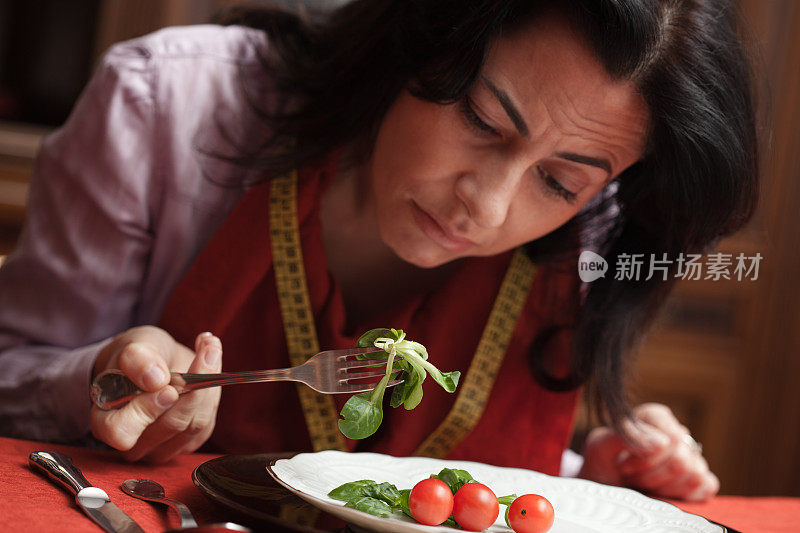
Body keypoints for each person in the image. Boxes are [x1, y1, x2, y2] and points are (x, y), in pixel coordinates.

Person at [0, 0, 757, 503]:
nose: (486, 206)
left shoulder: (584, 233)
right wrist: (101, 373)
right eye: (484, 120)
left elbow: (462, 456)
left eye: (558, 181)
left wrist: (589, 469)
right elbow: (11, 372)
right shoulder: (167, 108)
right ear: (417, 39)